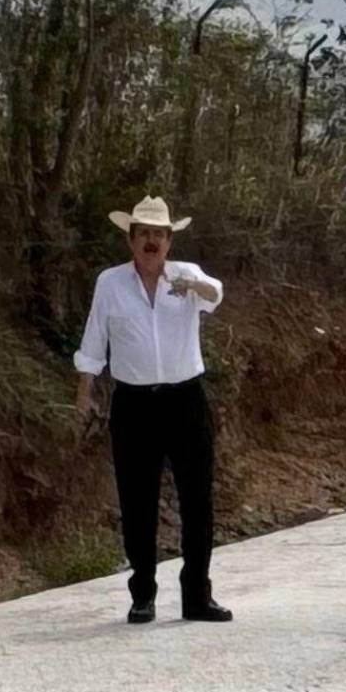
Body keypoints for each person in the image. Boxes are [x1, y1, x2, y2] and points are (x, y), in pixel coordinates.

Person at [73, 195, 232, 624]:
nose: (151, 242)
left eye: (159, 235)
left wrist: (193, 287)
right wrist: (84, 390)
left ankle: (197, 594)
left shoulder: (186, 275)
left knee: (197, 499)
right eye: (144, 234)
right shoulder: (110, 283)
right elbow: (94, 338)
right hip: (134, 403)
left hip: (185, 399)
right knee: (137, 499)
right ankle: (142, 592)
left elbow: (216, 294)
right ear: (131, 240)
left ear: (169, 241)